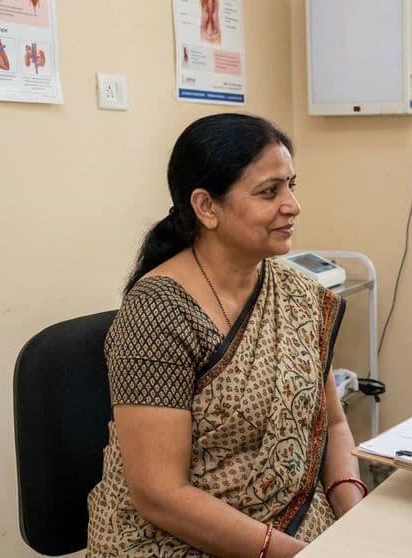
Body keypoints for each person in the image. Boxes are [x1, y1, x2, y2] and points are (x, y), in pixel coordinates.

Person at [87, 113, 364, 557]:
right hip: (176, 541)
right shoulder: (158, 314)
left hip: (298, 528)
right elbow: (160, 495)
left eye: (291, 185)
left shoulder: (299, 295)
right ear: (206, 207)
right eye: (269, 191)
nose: (293, 205)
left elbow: (331, 424)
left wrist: (356, 521)